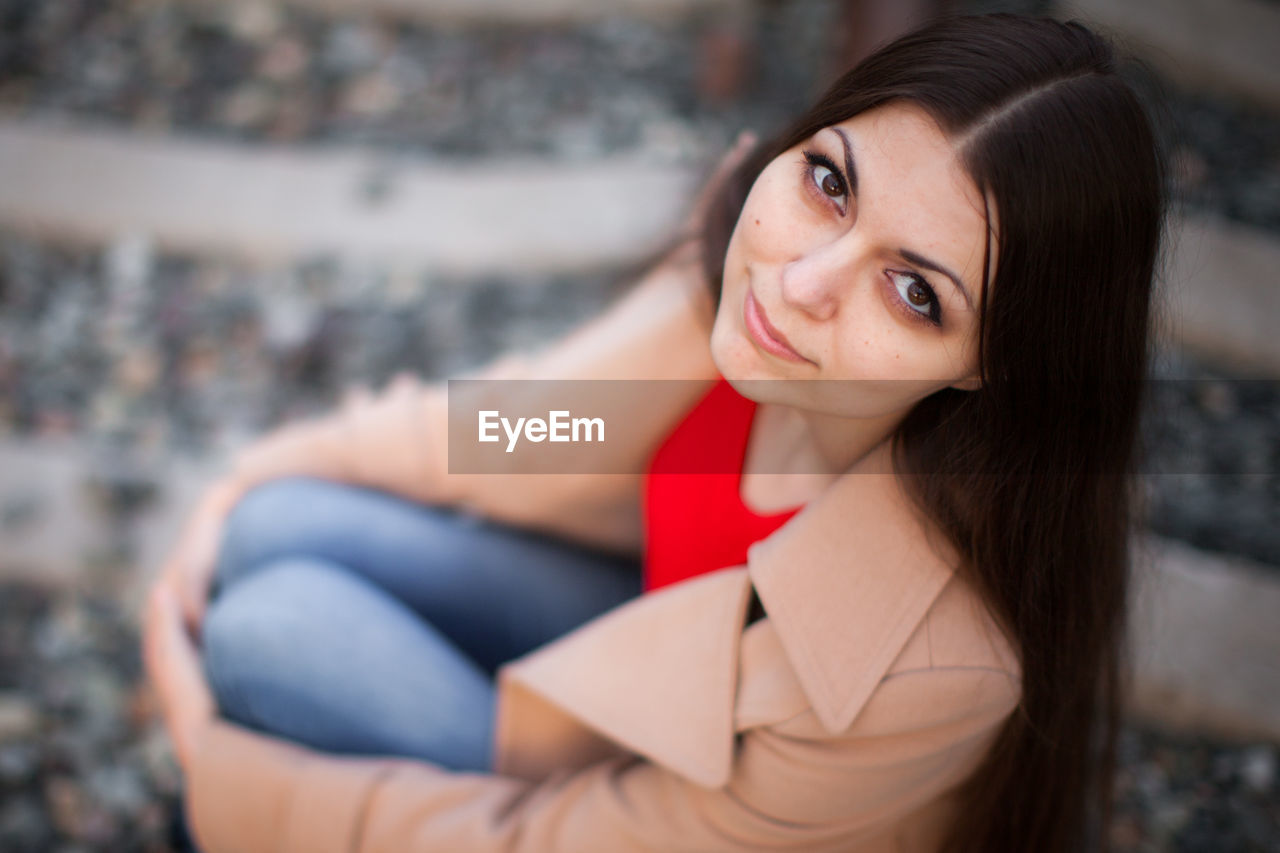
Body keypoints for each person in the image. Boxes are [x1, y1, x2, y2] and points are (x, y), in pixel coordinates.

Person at [141, 12, 1167, 853]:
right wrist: (242, 479)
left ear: (993, 362)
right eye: (829, 182)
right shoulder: (739, 272)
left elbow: (563, 842)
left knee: (265, 636)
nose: (801, 281)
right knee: (272, 527)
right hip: (633, 634)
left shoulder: (926, 668)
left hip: (671, 795)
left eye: (910, 291)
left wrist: (224, 779)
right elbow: (524, 426)